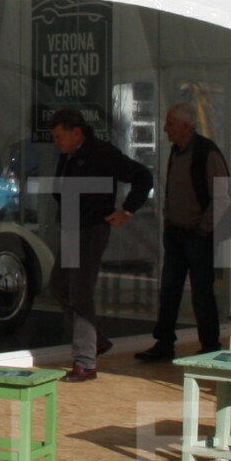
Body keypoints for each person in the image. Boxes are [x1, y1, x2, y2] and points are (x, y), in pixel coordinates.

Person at [43, 108, 154, 383]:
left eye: (60, 136)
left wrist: (127, 211)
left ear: (76, 132)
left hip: (91, 229)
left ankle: (85, 362)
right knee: (58, 285)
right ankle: (95, 340)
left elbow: (142, 176)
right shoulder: (69, 154)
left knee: (80, 293)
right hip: (72, 227)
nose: (57, 142)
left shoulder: (102, 153)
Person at [139, 103, 231, 364]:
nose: (165, 128)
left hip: (197, 235)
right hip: (177, 232)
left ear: (186, 126)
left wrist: (203, 229)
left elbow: (222, 196)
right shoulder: (176, 151)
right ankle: (164, 343)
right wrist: (169, 221)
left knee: (201, 292)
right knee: (169, 290)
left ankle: (210, 345)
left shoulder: (206, 153)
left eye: (170, 123)